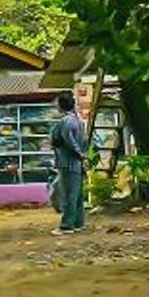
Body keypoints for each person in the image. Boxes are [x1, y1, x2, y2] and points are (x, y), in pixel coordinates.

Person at [51, 81, 95, 233]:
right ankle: (78, 222)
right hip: (76, 163)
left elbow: (69, 142)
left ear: (61, 105)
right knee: (76, 195)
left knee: (68, 195)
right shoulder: (77, 120)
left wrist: (80, 154)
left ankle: (66, 225)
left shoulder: (65, 122)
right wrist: (83, 156)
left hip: (67, 162)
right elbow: (83, 141)